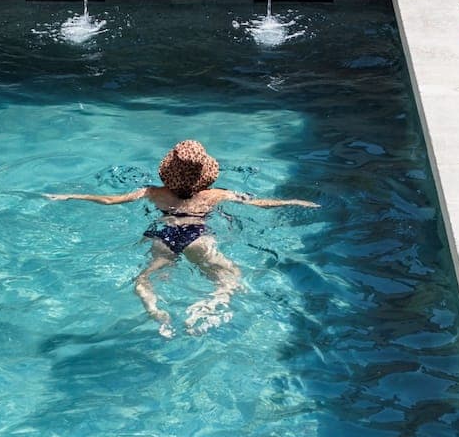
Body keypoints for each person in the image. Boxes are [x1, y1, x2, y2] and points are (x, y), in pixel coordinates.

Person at [47, 139, 318, 337]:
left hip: (162, 234)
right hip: (197, 235)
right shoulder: (216, 194)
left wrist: (72, 195)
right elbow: (259, 204)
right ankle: (211, 302)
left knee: (145, 277)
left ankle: (154, 308)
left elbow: (108, 200)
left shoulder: (152, 192)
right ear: (205, 175)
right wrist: (293, 200)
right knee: (231, 276)